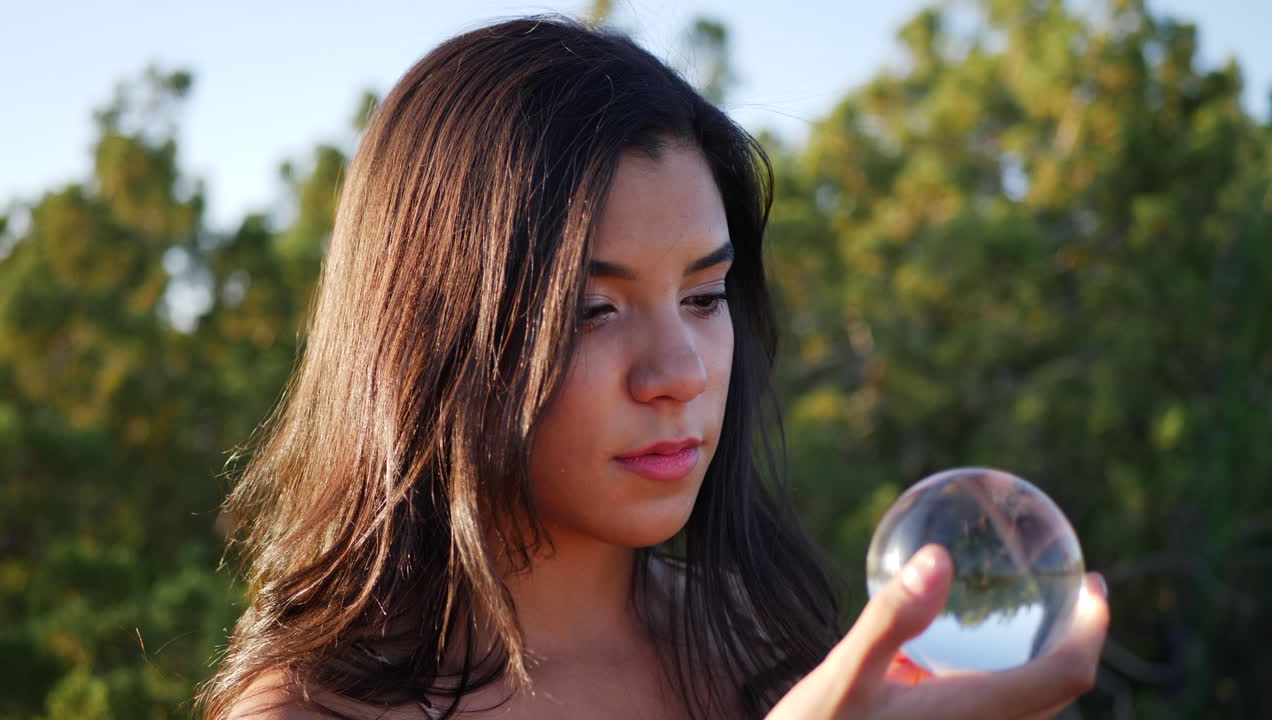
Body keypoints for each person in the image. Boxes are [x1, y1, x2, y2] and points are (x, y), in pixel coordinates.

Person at [198, 16, 1109, 720]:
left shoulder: (769, 650)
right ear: (436, 332)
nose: (677, 373)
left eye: (705, 299)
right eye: (595, 310)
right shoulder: (315, 708)